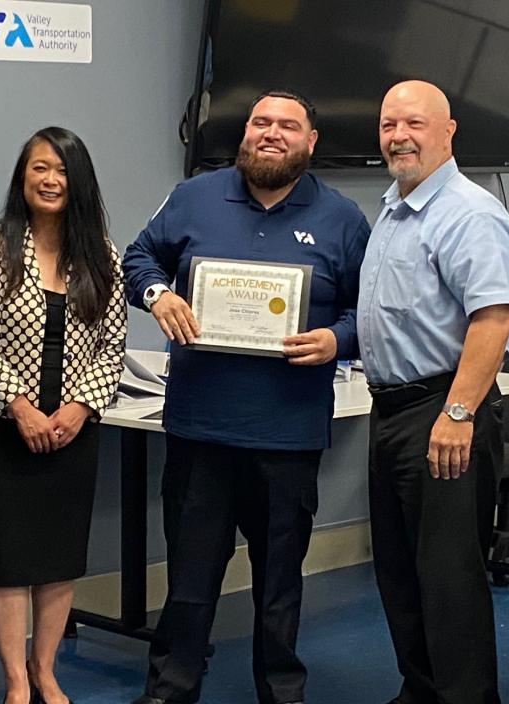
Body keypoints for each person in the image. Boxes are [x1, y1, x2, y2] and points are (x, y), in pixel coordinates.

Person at [123, 90, 370, 704]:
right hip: (199, 430)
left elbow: (370, 310)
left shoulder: (343, 218)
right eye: (261, 122)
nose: (272, 133)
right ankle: (169, 692)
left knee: (280, 585)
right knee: (188, 584)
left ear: (310, 141)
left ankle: (281, 694)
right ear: (245, 132)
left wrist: (337, 339)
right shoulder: (193, 197)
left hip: (287, 436)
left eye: (288, 125)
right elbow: (139, 257)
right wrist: (160, 296)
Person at [357, 80, 509, 704]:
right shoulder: (394, 208)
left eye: (415, 124)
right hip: (392, 412)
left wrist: (457, 413)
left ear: (448, 132)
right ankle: (420, 691)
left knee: (450, 583)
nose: (399, 135)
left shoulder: (470, 212)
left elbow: (493, 319)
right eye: (388, 123)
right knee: (399, 574)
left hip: (445, 410)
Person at [0, 126, 126, 704]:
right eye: (39, 168)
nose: (51, 180)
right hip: (3, 429)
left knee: (58, 558)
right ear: (22, 177)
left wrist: (80, 407)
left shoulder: (101, 255)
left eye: (61, 170)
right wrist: (21, 408)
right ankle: (13, 682)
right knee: (7, 559)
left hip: (74, 430)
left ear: (78, 182)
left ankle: (45, 670)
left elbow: (112, 343)